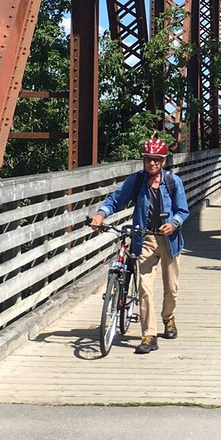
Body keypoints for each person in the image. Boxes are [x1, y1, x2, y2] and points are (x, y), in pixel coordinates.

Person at [90, 138, 189, 354]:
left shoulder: (173, 182)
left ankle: (168, 318)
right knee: (144, 287)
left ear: (163, 161)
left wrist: (173, 224)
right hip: (144, 239)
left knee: (171, 288)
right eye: (148, 159)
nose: (152, 163)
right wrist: (101, 214)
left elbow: (183, 211)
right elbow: (116, 200)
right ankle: (149, 335)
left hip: (170, 241)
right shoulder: (136, 181)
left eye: (156, 160)